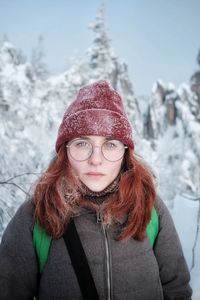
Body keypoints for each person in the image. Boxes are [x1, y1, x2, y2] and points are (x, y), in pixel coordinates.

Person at [0, 80, 192, 300]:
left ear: (125, 153)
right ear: (65, 150)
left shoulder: (149, 207)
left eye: (110, 144)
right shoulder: (35, 216)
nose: (96, 159)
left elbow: (177, 290)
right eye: (82, 143)